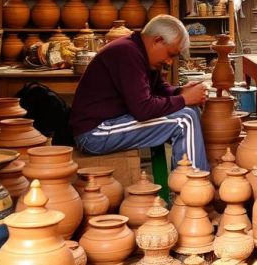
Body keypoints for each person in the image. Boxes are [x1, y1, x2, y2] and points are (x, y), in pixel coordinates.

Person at [70, 15, 210, 170]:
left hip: (113, 122)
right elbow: (143, 109)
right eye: (171, 54)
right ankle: (193, 186)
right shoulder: (126, 52)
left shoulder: (142, 54)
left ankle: (192, 181)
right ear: (157, 41)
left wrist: (180, 91)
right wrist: (184, 99)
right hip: (94, 133)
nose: (170, 62)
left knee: (192, 110)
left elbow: (159, 89)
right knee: (184, 119)